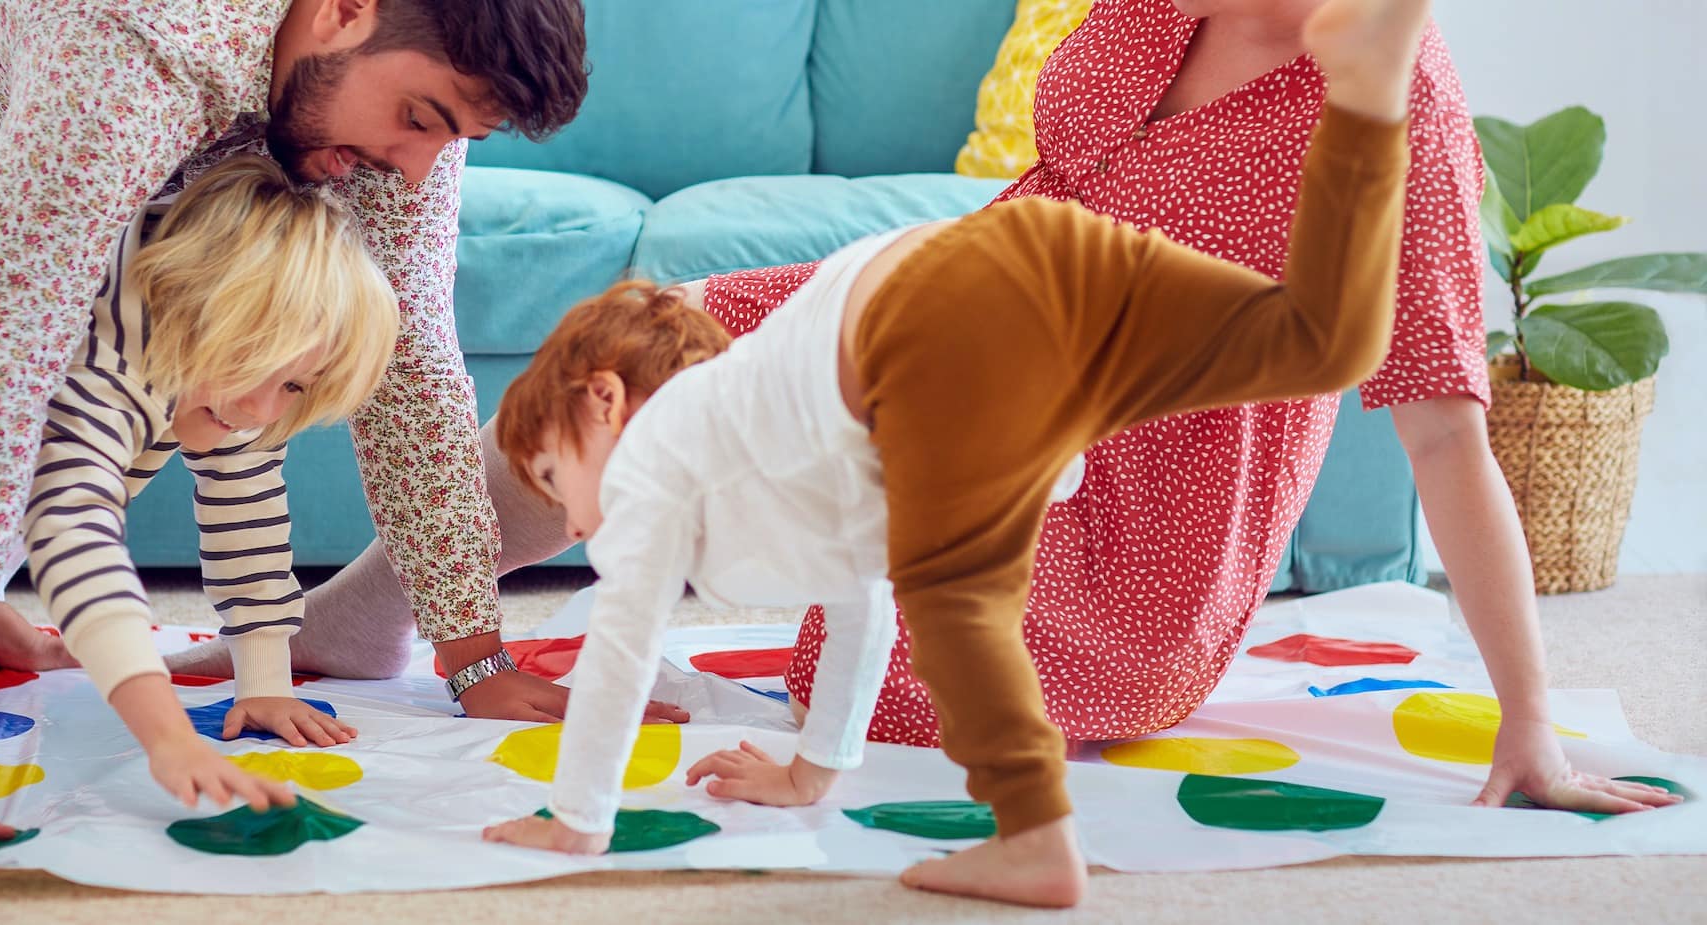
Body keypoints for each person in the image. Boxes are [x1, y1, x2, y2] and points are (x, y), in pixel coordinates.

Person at [473, 1, 1606, 907]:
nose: (597, 535)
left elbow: (1448, 432)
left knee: (914, 624)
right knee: (653, 321)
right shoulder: (1150, 11)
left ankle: (1034, 838)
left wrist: (1530, 720)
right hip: (1002, 290)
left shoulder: (1419, 96)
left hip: (1144, 474)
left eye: (582, 508)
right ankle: (413, 606)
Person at [0, 0, 589, 862]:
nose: (418, 173)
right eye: (420, 120)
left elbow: (413, 363)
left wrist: (475, 660)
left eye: (455, 138)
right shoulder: (129, 61)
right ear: (344, 14)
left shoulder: (386, 138)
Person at [0, 156, 408, 856]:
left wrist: (262, 679)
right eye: (255, 368)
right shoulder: (95, 349)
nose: (260, 408)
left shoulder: (215, 355)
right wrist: (167, 736)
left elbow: (248, 505)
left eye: (293, 386)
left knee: (34, 473)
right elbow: (75, 535)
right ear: (193, 304)